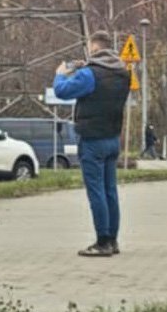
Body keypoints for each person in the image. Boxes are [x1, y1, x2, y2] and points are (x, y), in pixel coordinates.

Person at [54, 31, 131, 257]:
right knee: (110, 191)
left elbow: (62, 91)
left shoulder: (90, 74)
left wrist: (61, 74)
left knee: (96, 191)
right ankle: (113, 240)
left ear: (94, 48)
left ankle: (102, 241)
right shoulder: (123, 74)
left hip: (92, 140)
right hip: (113, 138)